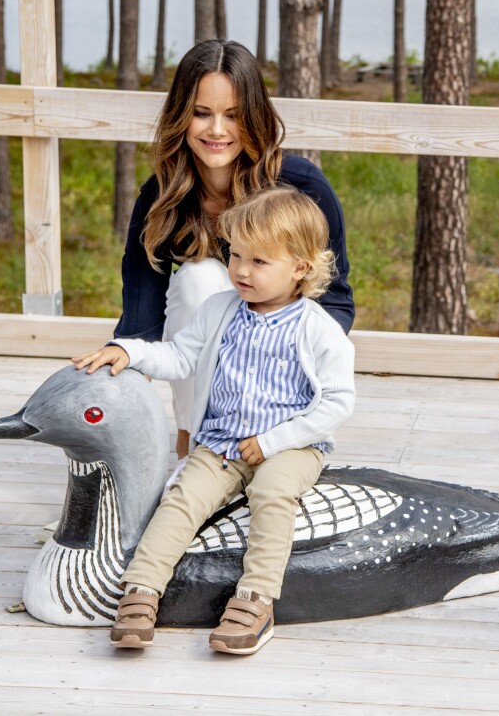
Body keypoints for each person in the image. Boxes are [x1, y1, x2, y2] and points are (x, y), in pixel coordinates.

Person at [73, 187, 355, 655]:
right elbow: (180, 356)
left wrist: (273, 441)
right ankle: (141, 590)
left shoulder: (318, 329)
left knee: (272, 492)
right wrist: (130, 350)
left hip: (292, 445)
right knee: (182, 499)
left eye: (260, 262)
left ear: (301, 267)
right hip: (222, 443)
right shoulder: (221, 311)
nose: (241, 270)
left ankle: (256, 599)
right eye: (236, 255)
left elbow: (337, 404)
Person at [114, 39, 354, 460]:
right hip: (208, 346)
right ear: (181, 116)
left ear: (255, 119)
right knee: (198, 280)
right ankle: (195, 439)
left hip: (285, 344)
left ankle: (272, 440)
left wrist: (305, 363)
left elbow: (333, 295)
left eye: (233, 116)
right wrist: (127, 358)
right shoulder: (162, 194)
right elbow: (142, 296)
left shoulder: (302, 186)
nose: (217, 131)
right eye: (201, 113)